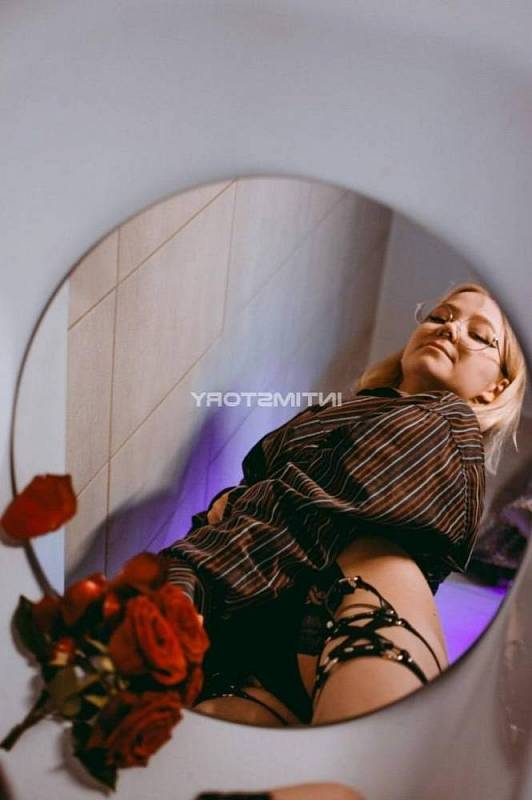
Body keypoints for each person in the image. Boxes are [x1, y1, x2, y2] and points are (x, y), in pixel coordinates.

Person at [159, 282, 526, 728]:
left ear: (495, 389)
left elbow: (304, 512)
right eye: (440, 316)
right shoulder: (341, 412)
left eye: (479, 334)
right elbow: (258, 507)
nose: (450, 329)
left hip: (346, 609)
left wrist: (192, 572)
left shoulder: (442, 422)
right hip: (271, 636)